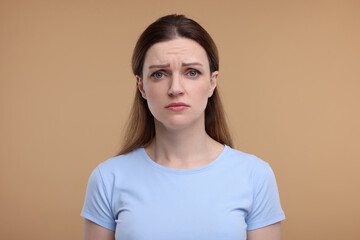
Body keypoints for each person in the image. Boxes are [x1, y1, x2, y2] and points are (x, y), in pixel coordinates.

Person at [81, 14, 285, 240]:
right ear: (141, 86)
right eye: (159, 74)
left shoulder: (255, 176)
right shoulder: (108, 178)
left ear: (212, 83)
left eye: (192, 72)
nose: (175, 88)